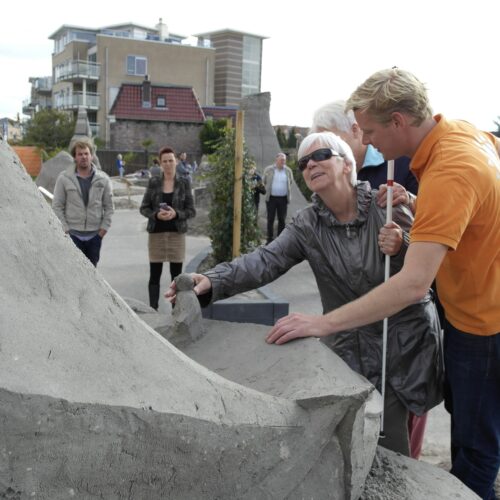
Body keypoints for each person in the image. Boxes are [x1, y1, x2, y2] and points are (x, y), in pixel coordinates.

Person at [267, 68, 500, 500]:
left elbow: (411, 286)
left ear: (398, 121)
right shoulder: (466, 136)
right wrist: (423, 205)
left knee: (475, 451)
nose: (367, 141)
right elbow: (477, 206)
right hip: (480, 309)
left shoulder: (451, 170)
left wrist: (324, 324)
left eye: (370, 131)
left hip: (483, 326)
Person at [167, 132, 443, 457]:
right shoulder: (307, 225)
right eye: (303, 162)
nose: (310, 164)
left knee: (391, 452)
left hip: (401, 351)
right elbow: (265, 261)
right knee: (348, 451)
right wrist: (212, 280)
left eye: (321, 154)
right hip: (348, 353)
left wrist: (402, 246)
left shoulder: (388, 206)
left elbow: (432, 271)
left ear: (346, 163)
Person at [311, 99, 426, 460]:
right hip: (357, 326)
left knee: (403, 414)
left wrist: (403, 239)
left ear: (354, 132)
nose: (317, 157)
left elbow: (430, 231)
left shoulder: (401, 163)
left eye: (325, 144)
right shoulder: (331, 179)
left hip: (401, 322)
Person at [311, 100, 418, 195]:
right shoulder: (328, 175)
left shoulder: (401, 161)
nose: (326, 151)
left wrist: (408, 200)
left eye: (331, 141)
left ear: (355, 130)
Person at [140, 146, 195, 310]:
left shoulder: (184, 182)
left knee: (176, 277)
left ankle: (176, 311)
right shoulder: (154, 181)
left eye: (171, 160)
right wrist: (157, 214)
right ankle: (152, 310)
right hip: (156, 235)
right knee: (154, 275)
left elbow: (191, 211)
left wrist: (175, 214)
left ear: (176, 161)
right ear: (161, 163)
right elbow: (144, 208)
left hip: (176, 235)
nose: (168, 164)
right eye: (165, 161)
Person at [52, 138, 114, 267]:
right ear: (75, 157)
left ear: (92, 156)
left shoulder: (103, 179)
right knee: (72, 273)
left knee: (92, 276)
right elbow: (57, 206)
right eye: (80, 154)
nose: (84, 157)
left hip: (94, 237)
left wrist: (102, 231)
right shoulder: (64, 178)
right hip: (73, 236)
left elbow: (109, 207)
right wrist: (66, 230)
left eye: (86, 153)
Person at [263, 152, 294, 244]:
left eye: (284, 160)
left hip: (283, 199)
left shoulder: (288, 171)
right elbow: (264, 181)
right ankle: (269, 239)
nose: (283, 161)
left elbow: (290, 182)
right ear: (276, 160)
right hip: (271, 198)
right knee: (270, 218)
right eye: (281, 160)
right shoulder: (269, 170)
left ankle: (280, 240)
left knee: (282, 219)